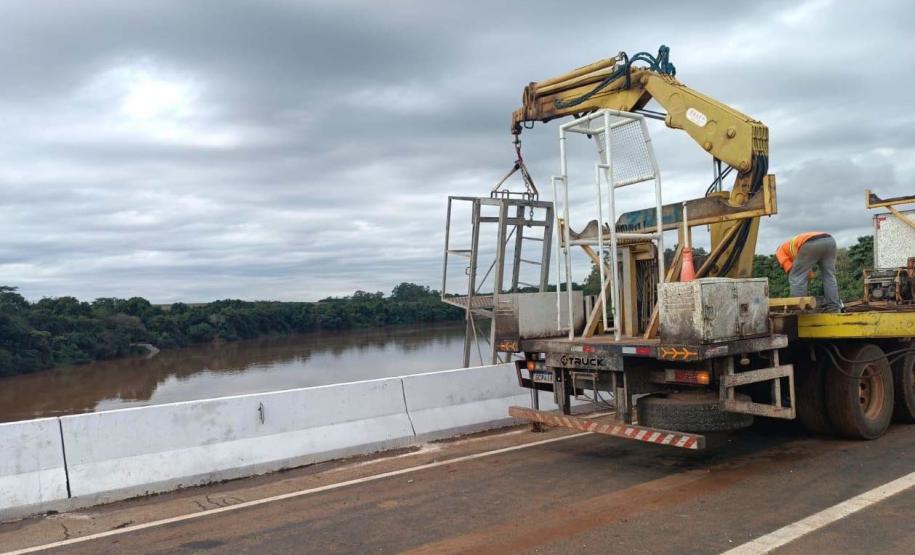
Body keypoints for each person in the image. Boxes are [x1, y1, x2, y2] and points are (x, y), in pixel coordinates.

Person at [776, 232, 841, 312]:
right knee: (829, 276)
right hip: (830, 241)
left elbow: (791, 269)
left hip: (811, 242)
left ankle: (798, 310)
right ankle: (834, 308)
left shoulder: (779, 251)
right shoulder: (794, 251)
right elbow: (808, 274)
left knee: (796, 277)